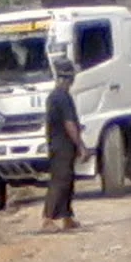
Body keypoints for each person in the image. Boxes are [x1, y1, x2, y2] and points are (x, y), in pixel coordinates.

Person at [42, 57, 86, 231]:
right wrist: (81, 145)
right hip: (61, 146)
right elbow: (69, 124)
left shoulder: (58, 96)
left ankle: (67, 217)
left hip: (61, 145)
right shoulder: (61, 97)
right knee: (60, 181)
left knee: (67, 181)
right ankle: (47, 219)